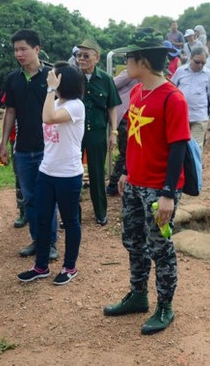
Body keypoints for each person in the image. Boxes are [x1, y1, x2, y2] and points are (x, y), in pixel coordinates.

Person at [103, 28, 190, 335]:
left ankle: (165, 306)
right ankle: (138, 294)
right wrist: (125, 171)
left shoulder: (173, 98)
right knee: (134, 242)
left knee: (160, 247)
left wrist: (168, 194)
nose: (126, 62)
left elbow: (178, 148)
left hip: (159, 189)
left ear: (143, 61)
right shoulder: (139, 91)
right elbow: (133, 137)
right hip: (135, 183)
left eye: (129, 57)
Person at [17, 64, 86, 285]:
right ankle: (41, 266)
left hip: (68, 174)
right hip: (47, 172)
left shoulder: (76, 106)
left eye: (53, 76)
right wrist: (51, 93)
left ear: (62, 81)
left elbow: (48, 118)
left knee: (70, 221)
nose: (49, 78)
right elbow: (47, 115)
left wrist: (49, 90)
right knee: (42, 218)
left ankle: (70, 267)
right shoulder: (55, 103)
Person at [0, 29, 59, 259]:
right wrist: (3, 142)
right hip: (22, 148)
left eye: (23, 49)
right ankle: (37, 240)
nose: (19, 54)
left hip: (48, 147)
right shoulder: (13, 78)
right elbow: (10, 111)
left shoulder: (52, 77)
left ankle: (51, 243)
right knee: (30, 198)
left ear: (37, 49)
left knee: (47, 197)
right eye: (16, 50)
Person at [75, 39, 121, 226]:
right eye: (79, 55)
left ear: (96, 57)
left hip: (97, 131)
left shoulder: (106, 79)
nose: (81, 59)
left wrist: (114, 132)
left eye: (86, 55)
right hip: (74, 132)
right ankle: (72, 215)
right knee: (71, 174)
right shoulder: (72, 77)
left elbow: (111, 108)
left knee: (96, 173)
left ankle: (100, 212)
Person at [171, 46, 210, 156]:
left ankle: (196, 172)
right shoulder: (180, 71)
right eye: (197, 62)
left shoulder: (208, 74)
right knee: (181, 147)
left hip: (199, 116)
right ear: (190, 58)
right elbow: (172, 89)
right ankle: (183, 172)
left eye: (203, 63)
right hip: (181, 117)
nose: (200, 65)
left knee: (195, 148)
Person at [106, 68, 139, 197]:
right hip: (125, 117)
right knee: (126, 151)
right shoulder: (130, 73)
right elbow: (111, 84)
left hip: (133, 117)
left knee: (128, 151)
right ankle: (113, 184)